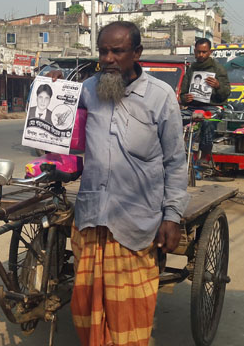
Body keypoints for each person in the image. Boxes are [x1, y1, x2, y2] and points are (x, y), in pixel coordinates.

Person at [71, 21, 188, 346]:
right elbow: (57, 132)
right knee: (85, 314)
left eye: (117, 51)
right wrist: (55, 96)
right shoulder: (87, 90)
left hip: (135, 225)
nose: (108, 58)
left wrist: (172, 216)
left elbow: (175, 162)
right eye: (103, 51)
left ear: (137, 53)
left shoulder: (160, 97)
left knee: (129, 326)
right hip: (91, 220)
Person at [179, 38, 230, 167]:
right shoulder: (191, 69)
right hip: (193, 107)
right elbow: (182, 93)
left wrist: (218, 86)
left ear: (210, 52)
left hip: (213, 108)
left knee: (208, 122)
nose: (201, 55)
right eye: (198, 52)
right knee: (173, 118)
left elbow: (226, 93)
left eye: (204, 52)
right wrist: (186, 98)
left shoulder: (219, 69)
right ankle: (176, 150)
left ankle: (205, 153)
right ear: (195, 52)